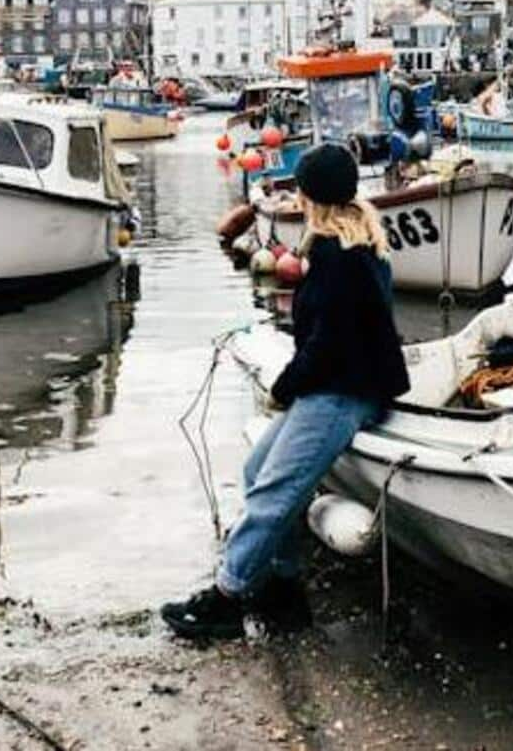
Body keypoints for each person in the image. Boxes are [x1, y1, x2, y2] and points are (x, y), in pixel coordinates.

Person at [160, 144, 408, 641]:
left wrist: (285, 385)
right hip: (341, 384)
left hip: (340, 392)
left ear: (311, 196)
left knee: (273, 492)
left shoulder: (340, 257)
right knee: (259, 471)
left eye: (299, 189)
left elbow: (329, 343)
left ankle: (227, 597)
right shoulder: (355, 246)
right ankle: (283, 585)